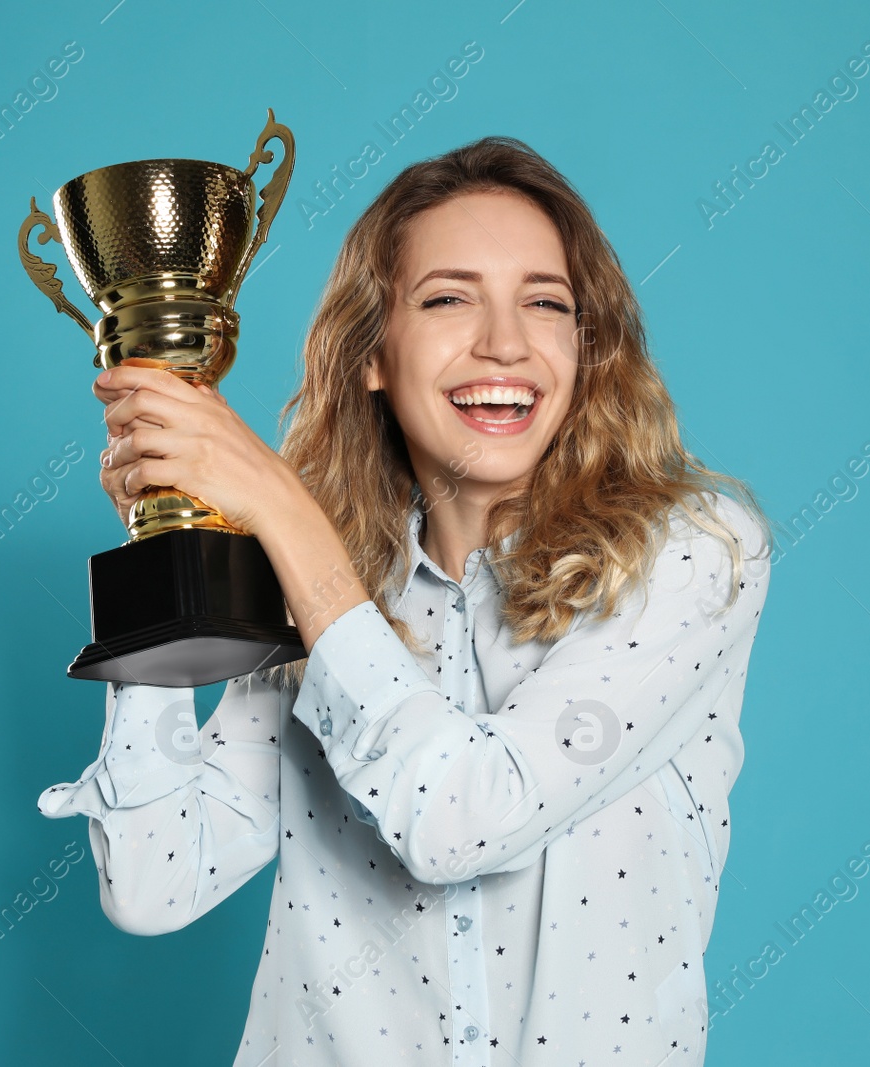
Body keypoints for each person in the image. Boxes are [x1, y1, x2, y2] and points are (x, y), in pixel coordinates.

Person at [38, 135, 773, 1065]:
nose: (504, 342)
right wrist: (166, 539)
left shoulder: (691, 554)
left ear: (587, 350)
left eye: (545, 303)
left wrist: (275, 505)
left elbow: (466, 817)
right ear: (373, 352)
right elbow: (154, 881)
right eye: (448, 298)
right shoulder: (322, 581)